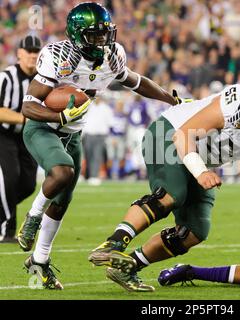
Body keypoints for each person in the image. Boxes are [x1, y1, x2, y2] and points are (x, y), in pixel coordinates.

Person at [88, 73, 240, 292]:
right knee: (172, 194)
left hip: (199, 157)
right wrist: (200, 172)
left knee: (195, 230)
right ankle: (114, 243)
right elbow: (183, 135)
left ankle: (130, 266)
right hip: (169, 133)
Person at [17, 2, 179, 289]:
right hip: (43, 127)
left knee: (63, 202)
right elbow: (28, 106)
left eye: (105, 34)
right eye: (94, 35)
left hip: (73, 134)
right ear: (77, 34)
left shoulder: (112, 56)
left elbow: (136, 81)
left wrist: (169, 98)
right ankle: (32, 216)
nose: (102, 41)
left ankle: (40, 261)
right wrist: (60, 114)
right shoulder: (58, 55)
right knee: (62, 172)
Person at [0, 35, 42, 243]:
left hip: (26, 137)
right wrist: (25, 119)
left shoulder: (43, 79)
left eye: (36, 52)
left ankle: (2, 209)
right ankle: (6, 231)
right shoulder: (6, 77)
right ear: (19, 53)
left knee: (28, 184)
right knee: (9, 178)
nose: (33, 56)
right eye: (29, 51)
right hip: (4, 134)